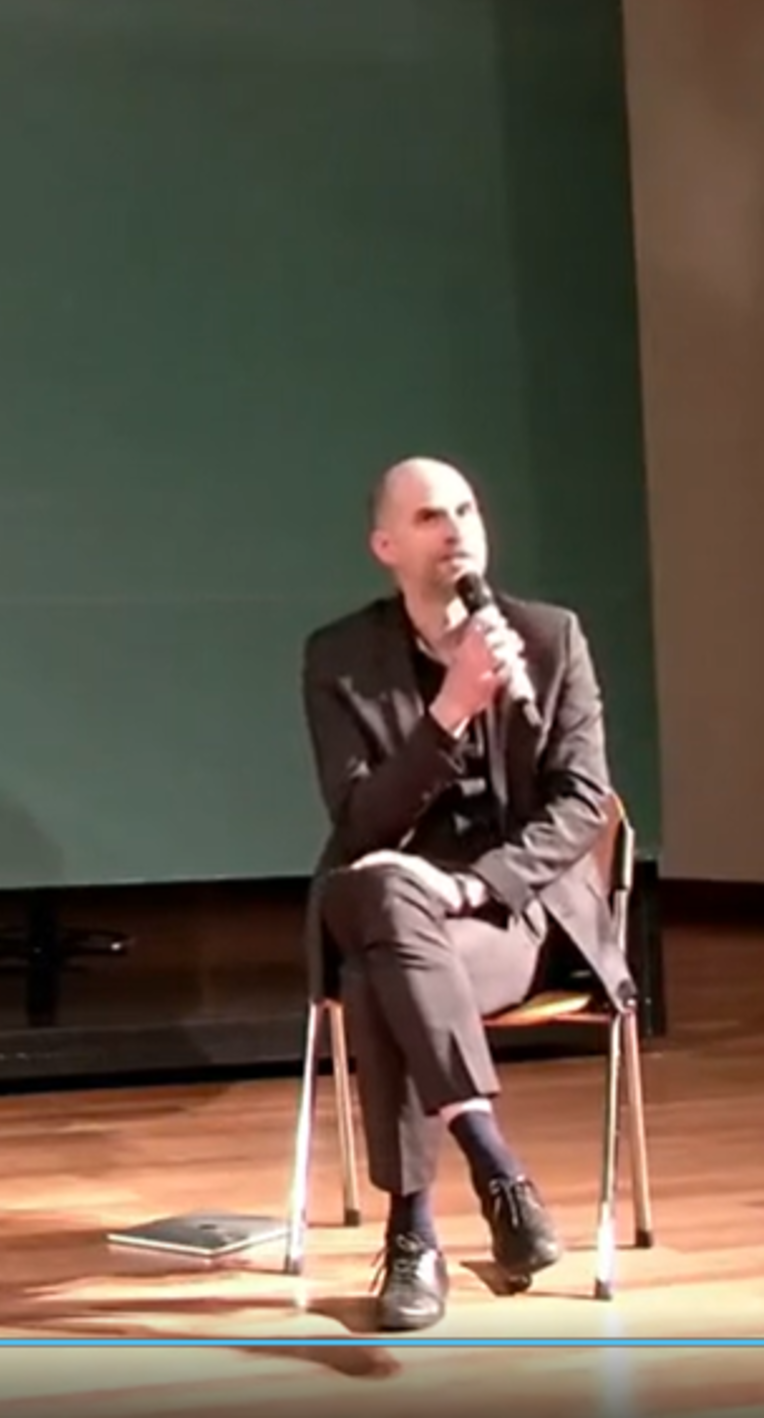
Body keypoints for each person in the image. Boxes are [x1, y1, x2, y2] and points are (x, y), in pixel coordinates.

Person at [300, 457, 630, 1332]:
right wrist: (449, 711)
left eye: (466, 510)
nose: (455, 530)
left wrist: (469, 883)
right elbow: (361, 820)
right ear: (385, 546)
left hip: (507, 914)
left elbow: (583, 803)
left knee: (380, 974)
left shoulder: (550, 638)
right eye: (428, 518)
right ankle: (496, 1172)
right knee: (383, 895)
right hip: (385, 896)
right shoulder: (339, 658)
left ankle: (414, 1236)